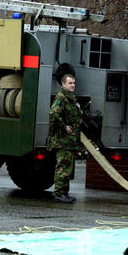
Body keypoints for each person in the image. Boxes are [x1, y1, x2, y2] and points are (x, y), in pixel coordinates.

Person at [47, 73, 82, 204]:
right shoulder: (61, 98)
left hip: (70, 141)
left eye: (73, 83)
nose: (72, 85)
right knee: (63, 167)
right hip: (63, 141)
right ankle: (58, 193)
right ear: (63, 84)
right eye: (70, 83)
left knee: (68, 168)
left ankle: (64, 193)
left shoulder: (71, 98)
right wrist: (64, 126)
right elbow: (53, 113)